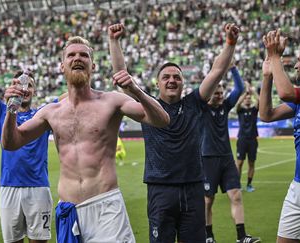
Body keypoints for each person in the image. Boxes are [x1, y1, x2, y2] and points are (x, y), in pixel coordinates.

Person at [1, 28, 169, 241]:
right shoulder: (51, 112)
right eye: (71, 55)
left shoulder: (112, 101)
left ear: (93, 65)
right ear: (62, 66)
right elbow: (10, 143)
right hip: (69, 210)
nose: (77, 59)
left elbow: (162, 120)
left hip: (106, 206)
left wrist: (136, 90)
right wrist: (11, 111)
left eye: (84, 55)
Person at [109, 23, 240, 242]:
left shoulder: (194, 103)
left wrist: (230, 44)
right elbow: (123, 79)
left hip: (193, 187)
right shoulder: (148, 107)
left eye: (177, 77)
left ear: (183, 82)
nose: (172, 80)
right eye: (166, 77)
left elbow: (217, 71)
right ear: (158, 83)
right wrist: (114, 41)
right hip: (160, 190)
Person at [0, 34, 53, 243]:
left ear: (34, 91)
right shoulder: (0, 110)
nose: (24, 89)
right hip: (9, 188)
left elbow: (70, 95)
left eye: (29, 86)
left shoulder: (44, 112)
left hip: (38, 188)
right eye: (18, 84)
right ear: (11, 88)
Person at [260, 30, 300, 243]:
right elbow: (266, 115)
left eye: (298, 61)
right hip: (299, 183)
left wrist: (276, 56)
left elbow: (287, 92)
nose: (295, 65)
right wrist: (267, 75)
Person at [201, 63, 261, 243]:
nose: (219, 96)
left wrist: (233, 68)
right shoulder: (201, 108)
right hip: (208, 159)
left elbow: (240, 88)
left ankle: (241, 237)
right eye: (216, 93)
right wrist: (213, 76)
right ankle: (208, 236)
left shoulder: (225, 106)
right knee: (207, 201)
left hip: (227, 158)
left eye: (221, 92)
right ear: (208, 93)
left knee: (236, 195)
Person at [235, 82, 259, 192]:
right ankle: (237, 184)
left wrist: (252, 91)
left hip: (253, 139)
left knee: (251, 163)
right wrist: (245, 92)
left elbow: (260, 101)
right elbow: (237, 104)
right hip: (242, 139)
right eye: (246, 98)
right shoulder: (240, 110)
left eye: (249, 98)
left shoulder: (254, 110)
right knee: (239, 163)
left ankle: (249, 184)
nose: (248, 99)